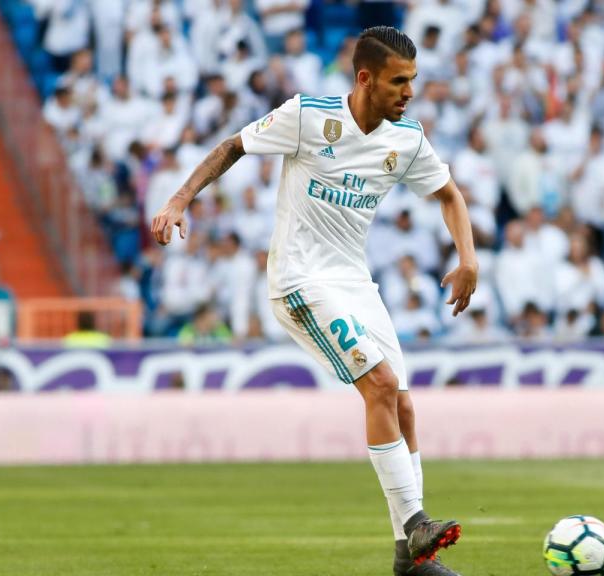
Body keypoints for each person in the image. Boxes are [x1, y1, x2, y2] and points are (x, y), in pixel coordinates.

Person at [151, 27, 476, 576]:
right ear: (365, 78)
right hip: (299, 279)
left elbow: (449, 195)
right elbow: (233, 146)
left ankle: (409, 558)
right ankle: (417, 522)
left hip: (354, 282)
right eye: (399, 82)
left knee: (403, 406)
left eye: (413, 81)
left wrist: (467, 258)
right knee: (379, 385)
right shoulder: (307, 116)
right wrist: (179, 200)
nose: (409, 92)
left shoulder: (407, 139)